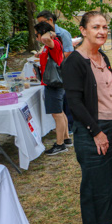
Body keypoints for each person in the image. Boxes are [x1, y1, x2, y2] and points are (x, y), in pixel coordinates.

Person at [62, 11, 112, 224]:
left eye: (104, 26)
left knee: (110, 175)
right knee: (93, 181)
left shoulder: (102, 56)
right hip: (92, 129)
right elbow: (75, 103)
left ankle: (107, 219)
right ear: (82, 30)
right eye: (95, 27)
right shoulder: (74, 62)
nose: (101, 31)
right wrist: (96, 132)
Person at [34, 21, 71, 155]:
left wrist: (49, 32)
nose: (37, 38)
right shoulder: (49, 44)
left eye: (37, 34)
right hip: (53, 83)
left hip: (54, 83)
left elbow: (45, 39)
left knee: (57, 114)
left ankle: (60, 144)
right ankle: (66, 139)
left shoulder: (53, 42)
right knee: (60, 112)